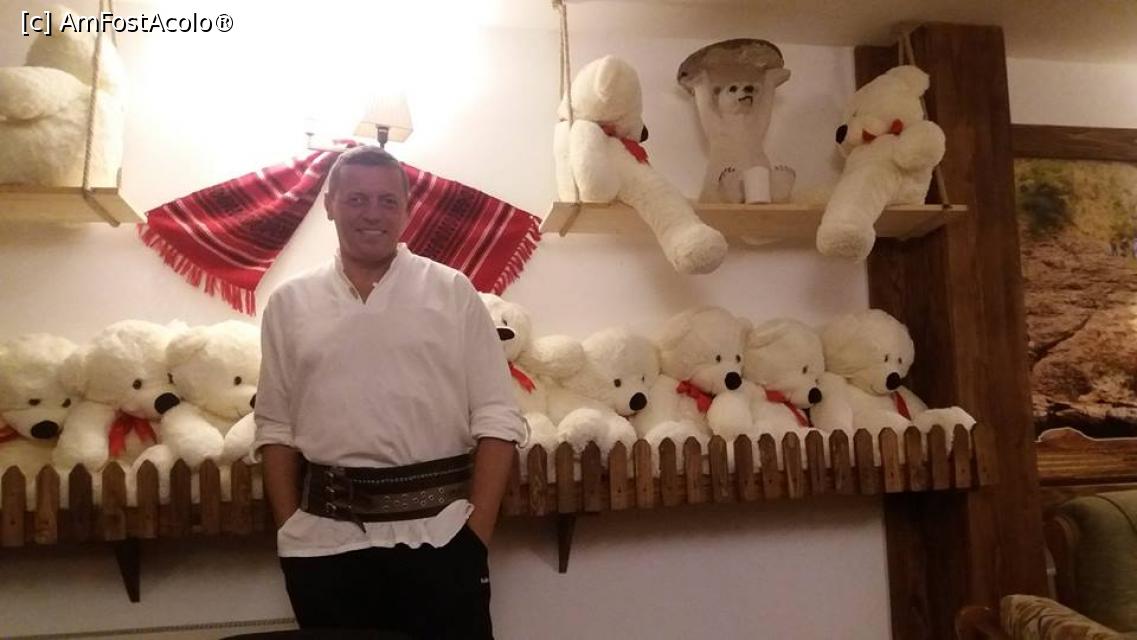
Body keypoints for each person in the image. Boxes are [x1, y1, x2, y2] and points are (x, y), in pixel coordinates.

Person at [252, 145, 527, 639]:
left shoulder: (452, 292)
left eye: (387, 201)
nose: (372, 213)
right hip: (323, 548)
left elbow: (497, 418)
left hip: (443, 539)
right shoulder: (289, 304)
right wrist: (290, 528)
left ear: (407, 210)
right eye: (356, 199)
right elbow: (275, 428)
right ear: (330, 204)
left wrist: (474, 538)